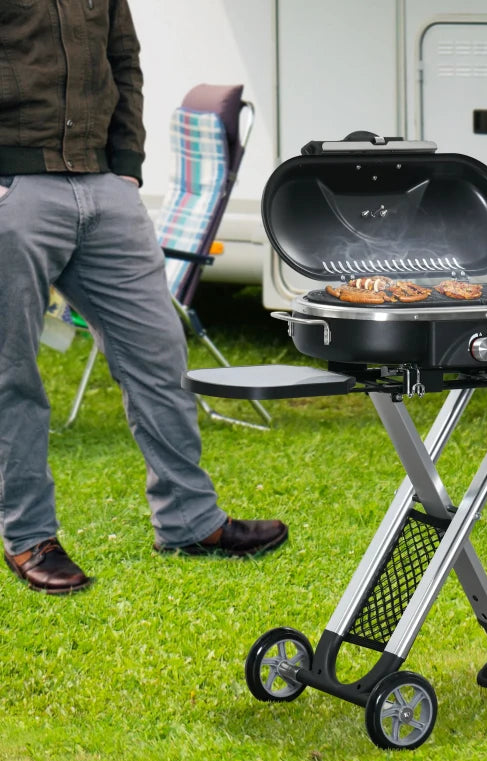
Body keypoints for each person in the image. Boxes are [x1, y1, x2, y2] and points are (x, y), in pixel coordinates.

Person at [0, 0, 287, 595]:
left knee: (159, 355)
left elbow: (122, 60)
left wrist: (126, 165)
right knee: (11, 373)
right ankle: (29, 535)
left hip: (105, 189)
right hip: (15, 186)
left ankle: (190, 521)